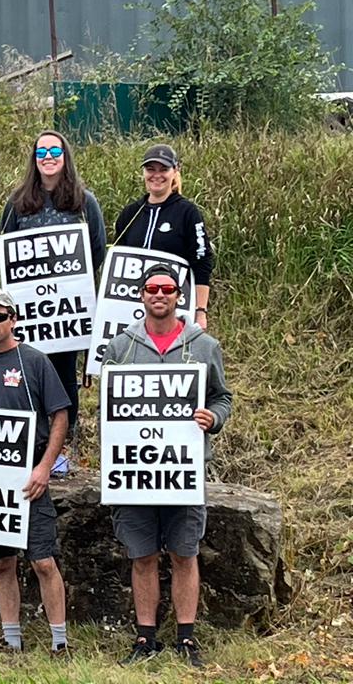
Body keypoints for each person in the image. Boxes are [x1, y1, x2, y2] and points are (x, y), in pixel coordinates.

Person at [103, 264, 232, 668]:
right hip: (134, 473)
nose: (159, 294)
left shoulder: (204, 346)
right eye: (151, 288)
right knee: (141, 555)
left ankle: (186, 638)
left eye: (167, 288)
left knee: (183, 553)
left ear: (179, 296)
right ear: (141, 296)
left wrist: (213, 418)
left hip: (183, 472)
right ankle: (145, 638)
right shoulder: (120, 347)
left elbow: (222, 398)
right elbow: (108, 408)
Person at [0, 287, 71, 656]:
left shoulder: (34, 361)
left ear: (13, 320)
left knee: (42, 560)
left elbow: (60, 415)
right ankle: (11, 640)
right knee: (2, 562)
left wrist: (45, 467)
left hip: (30, 475)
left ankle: (59, 642)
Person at [0, 129, 106, 447]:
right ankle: (33, 435)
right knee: (29, 368)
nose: (48, 158)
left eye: (55, 152)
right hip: (29, 310)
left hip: (68, 308)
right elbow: (5, 252)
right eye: (41, 152)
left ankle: (66, 436)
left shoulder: (85, 202)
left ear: (65, 157)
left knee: (63, 371)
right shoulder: (18, 203)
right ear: (34, 159)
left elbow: (96, 251)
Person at [114, 143, 214, 330]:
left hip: (175, 307)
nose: (156, 175)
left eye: (164, 169)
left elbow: (202, 262)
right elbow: (118, 263)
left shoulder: (188, 212)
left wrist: (200, 312)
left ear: (175, 171)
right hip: (131, 307)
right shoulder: (130, 213)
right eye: (150, 169)